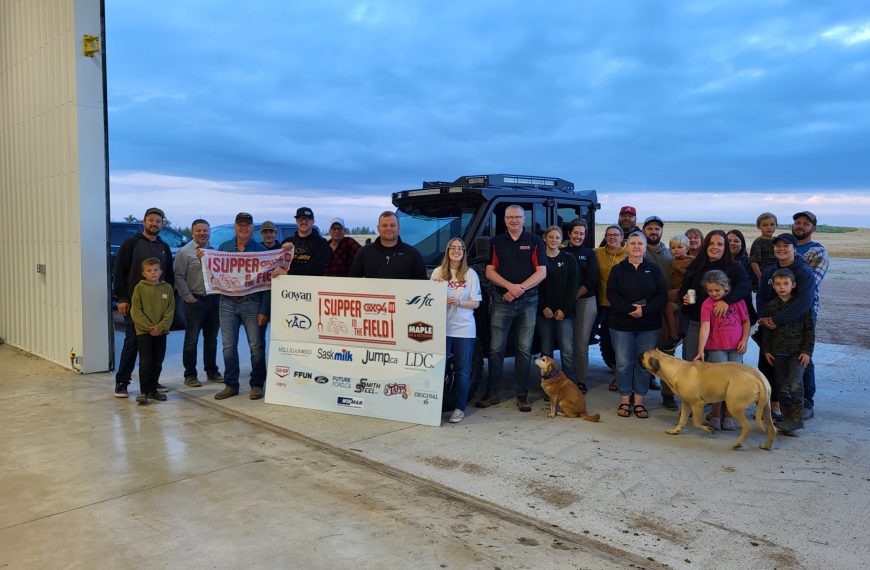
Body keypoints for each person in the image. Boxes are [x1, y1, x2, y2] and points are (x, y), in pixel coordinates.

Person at [476, 206, 547, 412]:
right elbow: (489, 272)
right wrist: (509, 288)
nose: (514, 221)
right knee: (496, 349)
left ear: (524, 219)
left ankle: (522, 395)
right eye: (510, 218)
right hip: (502, 300)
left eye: (518, 217)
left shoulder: (535, 241)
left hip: (528, 301)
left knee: (524, 350)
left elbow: (541, 272)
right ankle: (492, 393)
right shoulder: (496, 242)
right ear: (505, 220)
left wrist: (519, 289)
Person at [112, 207, 174, 398]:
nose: (154, 223)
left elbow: (169, 277)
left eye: (158, 221)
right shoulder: (131, 243)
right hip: (134, 306)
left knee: (155, 350)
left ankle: (151, 383)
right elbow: (119, 271)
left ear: (162, 224)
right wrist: (122, 298)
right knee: (132, 344)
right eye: (151, 220)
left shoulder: (164, 247)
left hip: (158, 310)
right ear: (144, 222)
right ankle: (122, 382)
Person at [756, 232, 816, 420]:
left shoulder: (803, 271)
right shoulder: (769, 270)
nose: (781, 249)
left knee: (800, 367)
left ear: (794, 248)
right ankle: (774, 405)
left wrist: (777, 320)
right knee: (769, 364)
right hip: (771, 329)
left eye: (786, 246)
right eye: (778, 246)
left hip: (795, 330)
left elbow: (805, 301)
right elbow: (761, 296)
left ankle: (805, 405)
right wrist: (762, 317)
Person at [606, 232, 667, 419]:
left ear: (645, 246)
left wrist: (644, 310)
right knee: (624, 363)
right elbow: (611, 294)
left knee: (643, 364)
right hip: (621, 324)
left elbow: (661, 295)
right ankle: (625, 399)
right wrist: (629, 309)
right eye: (632, 243)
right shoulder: (618, 270)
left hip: (648, 325)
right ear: (627, 246)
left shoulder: (654, 270)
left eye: (640, 243)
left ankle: (639, 401)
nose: (636, 246)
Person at [213, 212, 270, 401]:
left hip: (251, 303)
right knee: (228, 346)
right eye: (240, 224)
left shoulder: (260, 250)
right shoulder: (224, 247)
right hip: (227, 303)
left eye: (247, 224)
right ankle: (231, 384)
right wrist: (203, 257)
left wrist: (264, 310)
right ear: (235, 227)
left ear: (252, 228)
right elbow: (213, 268)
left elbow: (268, 283)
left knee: (256, 346)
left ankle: (256, 384)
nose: (243, 227)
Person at [678, 230, 751, 371]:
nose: (715, 247)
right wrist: (686, 297)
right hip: (697, 323)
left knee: (724, 370)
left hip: (725, 326)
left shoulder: (734, 266)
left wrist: (726, 301)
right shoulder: (696, 266)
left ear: (725, 247)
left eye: (720, 244)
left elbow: (745, 285)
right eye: (711, 243)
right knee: (694, 365)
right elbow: (685, 289)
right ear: (705, 245)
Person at [431, 238, 481, 423]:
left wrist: (459, 302)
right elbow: (428, 299)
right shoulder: (438, 272)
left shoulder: (470, 274)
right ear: (447, 251)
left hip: (464, 329)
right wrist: (434, 290)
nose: (456, 251)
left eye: (460, 248)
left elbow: (476, 303)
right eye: (452, 247)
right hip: (442, 327)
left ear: (464, 251)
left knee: (462, 370)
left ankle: (459, 408)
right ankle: (434, 406)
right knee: (438, 369)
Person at [760, 268, 815, 435]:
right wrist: (767, 350)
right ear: (773, 286)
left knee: (795, 385)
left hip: (797, 354)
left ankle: (797, 420)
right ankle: (787, 418)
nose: (782, 287)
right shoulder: (770, 306)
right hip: (778, 352)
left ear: (794, 285)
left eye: (785, 284)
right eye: (778, 284)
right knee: (783, 386)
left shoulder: (801, 306)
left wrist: (807, 351)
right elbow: (767, 330)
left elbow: (809, 331)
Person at [694, 269, 750, 430]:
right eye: (710, 290)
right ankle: (716, 414)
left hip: (736, 348)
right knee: (718, 383)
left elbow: (746, 322)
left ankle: (729, 415)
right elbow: (705, 327)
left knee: (733, 383)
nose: (713, 293)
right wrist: (700, 349)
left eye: (717, 290)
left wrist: (745, 341)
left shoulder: (737, 301)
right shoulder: (707, 304)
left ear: (725, 287)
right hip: (717, 347)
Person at [174, 218, 223, 387]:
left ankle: (211, 371)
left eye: (205, 230)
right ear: (192, 232)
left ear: (209, 232)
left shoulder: (216, 251)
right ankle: (190, 375)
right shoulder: (185, 252)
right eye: (198, 230)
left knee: (212, 340)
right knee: (191, 340)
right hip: (195, 302)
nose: (202, 233)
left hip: (214, 301)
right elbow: (178, 276)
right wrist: (188, 297)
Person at [792, 210, 829, 420]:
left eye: (806, 223)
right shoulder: (783, 246)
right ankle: (783, 399)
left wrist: (783, 285)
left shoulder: (818, 253)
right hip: (780, 310)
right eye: (797, 222)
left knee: (803, 354)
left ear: (813, 228)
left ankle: (807, 402)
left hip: (806, 311)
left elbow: (809, 284)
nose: (800, 226)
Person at [536, 226, 579, 387]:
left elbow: (572, 287)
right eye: (551, 237)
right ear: (544, 238)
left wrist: (564, 309)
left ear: (562, 240)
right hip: (544, 313)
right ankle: (549, 386)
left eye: (557, 237)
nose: (554, 240)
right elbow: (535, 287)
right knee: (546, 352)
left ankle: (571, 386)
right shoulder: (539, 259)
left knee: (567, 351)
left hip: (564, 313)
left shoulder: (569, 259)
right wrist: (543, 307)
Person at [129, 258, 175, 405]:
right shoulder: (139, 288)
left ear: (161, 271)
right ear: (144, 273)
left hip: (161, 332)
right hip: (144, 332)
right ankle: (144, 392)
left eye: (156, 270)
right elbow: (136, 311)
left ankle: (154, 390)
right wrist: (150, 327)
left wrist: (160, 327)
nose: (153, 273)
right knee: (146, 362)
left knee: (157, 362)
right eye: (149, 270)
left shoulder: (167, 288)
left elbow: (170, 310)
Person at [563, 219, 598, 392]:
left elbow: (591, 280)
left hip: (585, 302)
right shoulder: (561, 251)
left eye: (582, 234)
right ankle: (566, 379)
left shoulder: (589, 254)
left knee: (581, 343)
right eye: (575, 233)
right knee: (566, 344)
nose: (578, 236)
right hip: (564, 304)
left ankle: (581, 380)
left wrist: (572, 298)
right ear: (569, 233)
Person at [593, 225, 626, 390]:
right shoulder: (598, 253)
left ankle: (622, 376)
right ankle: (615, 371)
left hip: (620, 306)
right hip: (602, 304)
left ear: (621, 237)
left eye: (615, 235)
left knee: (620, 342)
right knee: (606, 340)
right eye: (609, 235)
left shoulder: (629, 253)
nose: (612, 238)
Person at [642, 215, 672, 392]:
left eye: (657, 229)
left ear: (661, 231)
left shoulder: (669, 252)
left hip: (665, 307)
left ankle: (667, 392)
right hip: (646, 307)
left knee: (666, 350)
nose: (653, 232)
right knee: (646, 348)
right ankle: (644, 382)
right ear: (644, 231)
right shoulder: (640, 250)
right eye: (650, 228)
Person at [349, 211, 427, 279]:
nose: (388, 228)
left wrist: (436, 283)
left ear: (398, 228)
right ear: (378, 228)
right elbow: (353, 281)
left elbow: (423, 284)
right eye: (384, 225)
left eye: (392, 225)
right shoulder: (364, 252)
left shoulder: (413, 254)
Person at [662, 234, 693, 358]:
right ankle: (674, 336)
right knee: (669, 309)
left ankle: (678, 335)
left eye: (680, 247)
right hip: (675, 294)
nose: (676, 250)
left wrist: (683, 293)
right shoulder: (673, 261)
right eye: (673, 248)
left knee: (685, 315)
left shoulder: (691, 261)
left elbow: (692, 280)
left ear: (687, 248)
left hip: (686, 294)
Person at [280, 207, 331, 275]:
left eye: (307, 219)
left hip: (311, 284)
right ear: (296, 221)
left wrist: (288, 273)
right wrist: (282, 252)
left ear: (313, 221)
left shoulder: (321, 243)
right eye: (300, 219)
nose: (303, 222)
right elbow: (278, 265)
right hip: (288, 284)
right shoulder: (287, 242)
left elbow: (316, 268)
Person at [727, 229, 758, 324]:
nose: (732, 243)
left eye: (736, 241)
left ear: (742, 245)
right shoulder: (718, 262)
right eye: (728, 241)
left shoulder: (747, 263)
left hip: (742, 309)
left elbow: (748, 285)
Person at [749, 212, 778, 289]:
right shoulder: (758, 242)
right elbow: (754, 262)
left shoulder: (777, 241)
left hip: (777, 274)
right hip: (764, 274)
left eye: (772, 224)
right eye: (765, 225)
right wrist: (760, 277)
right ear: (759, 227)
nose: (769, 227)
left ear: (776, 225)